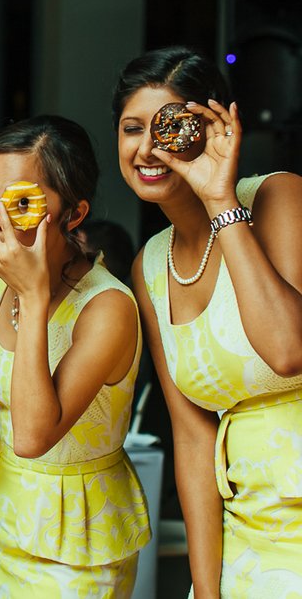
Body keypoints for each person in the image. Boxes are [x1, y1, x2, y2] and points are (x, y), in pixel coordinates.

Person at [113, 46, 302, 597]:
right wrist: (206, 588)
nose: (147, 148)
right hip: (245, 529)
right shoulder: (151, 263)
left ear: (215, 128)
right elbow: (193, 436)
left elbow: (288, 350)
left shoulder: (279, 196)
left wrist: (220, 199)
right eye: (131, 128)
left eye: (168, 127)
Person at [0, 115, 151, 597]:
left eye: (22, 202)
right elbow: (8, 379)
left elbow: (33, 435)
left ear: (74, 214)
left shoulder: (107, 307)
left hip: (80, 537)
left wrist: (35, 296)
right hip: (7, 520)